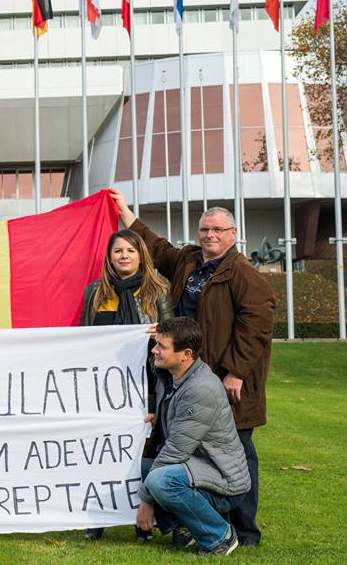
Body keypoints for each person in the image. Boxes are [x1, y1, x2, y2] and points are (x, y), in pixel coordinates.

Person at [111, 189, 274, 547]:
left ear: (233, 234)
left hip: (230, 383)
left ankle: (245, 532)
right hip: (190, 372)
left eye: (217, 230)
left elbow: (258, 326)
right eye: (204, 230)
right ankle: (194, 521)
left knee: (236, 456)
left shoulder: (243, 273)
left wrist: (236, 371)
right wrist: (124, 212)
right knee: (189, 452)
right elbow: (155, 246)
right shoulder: (188, 261)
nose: (210, 235)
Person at [79, 228, 175, 541]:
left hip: (146, 383)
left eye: (130, 251)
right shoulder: (95, 292)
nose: (124, 256)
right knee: (103, 451)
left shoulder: (158, 289)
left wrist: (159, 333)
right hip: (105, 387)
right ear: (109, 256)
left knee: (142, 452)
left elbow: (173, 334)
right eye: (118, 251)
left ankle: (141, 521)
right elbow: (84, 336)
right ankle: (97, 520)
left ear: (140, 255)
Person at [136, 317, 251, 556]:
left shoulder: (201, 388)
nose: (154, 350)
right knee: (137, 467)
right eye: (155, 344)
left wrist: (146, 501)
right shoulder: (171, 376)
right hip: (197, 467)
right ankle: (185, 527)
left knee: (160, 480)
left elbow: (176, 451)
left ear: (185, 354)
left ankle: (219, 536)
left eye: (161, 347)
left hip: (224, 482)